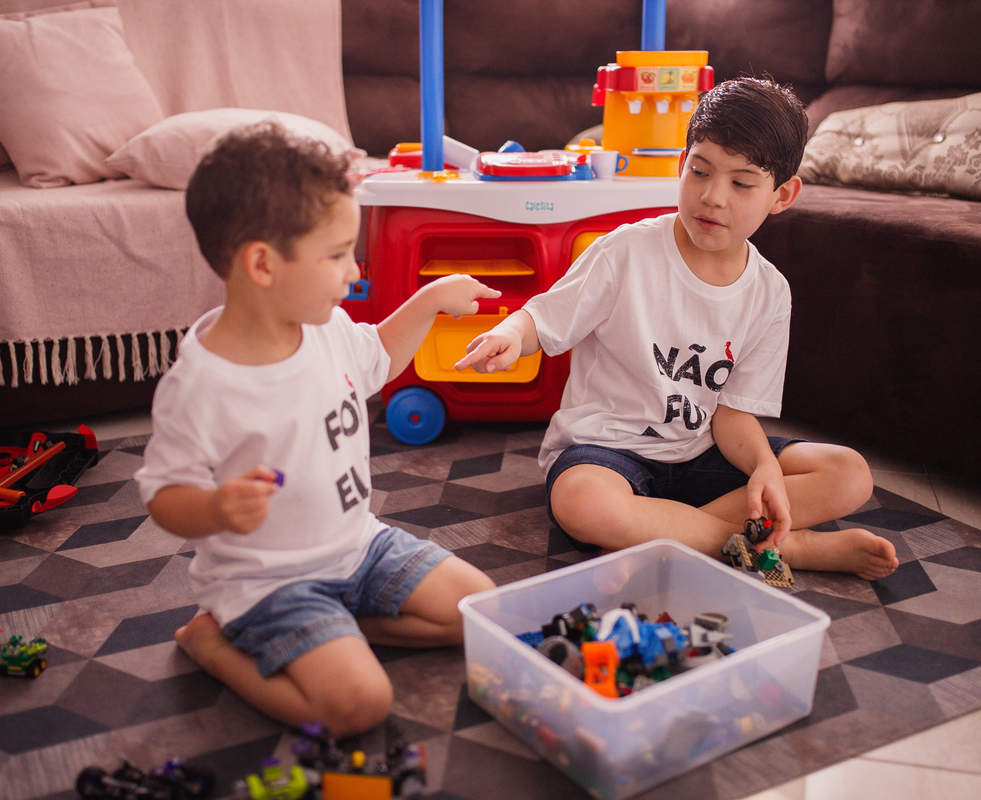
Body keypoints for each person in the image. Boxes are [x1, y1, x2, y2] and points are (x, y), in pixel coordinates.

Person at [135, 123, 498, 736]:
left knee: (477, 608)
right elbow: (163, 495)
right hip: (267, 582)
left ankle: (332, 635)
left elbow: (380, 354)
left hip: (359, 547)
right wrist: (215, 508)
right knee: (358, 705)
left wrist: (431, 300)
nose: (353, 271)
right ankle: (215, 645)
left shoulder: (325, 327)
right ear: (262, 264)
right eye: (336, 255)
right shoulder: (201, 384)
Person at [456, 78, 898, 581]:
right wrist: (512, 335)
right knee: (584, 503)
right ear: (681, 164)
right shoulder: (625, 251)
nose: (712, 197)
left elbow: (732, 415)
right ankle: (786, 548)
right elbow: (543, 317)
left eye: (741, 183)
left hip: (702, 453)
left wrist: (764, 468)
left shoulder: (770, 292)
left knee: (849, 473)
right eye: (700, 171)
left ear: (782, 195)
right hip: (608, 453)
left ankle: (659, 535)